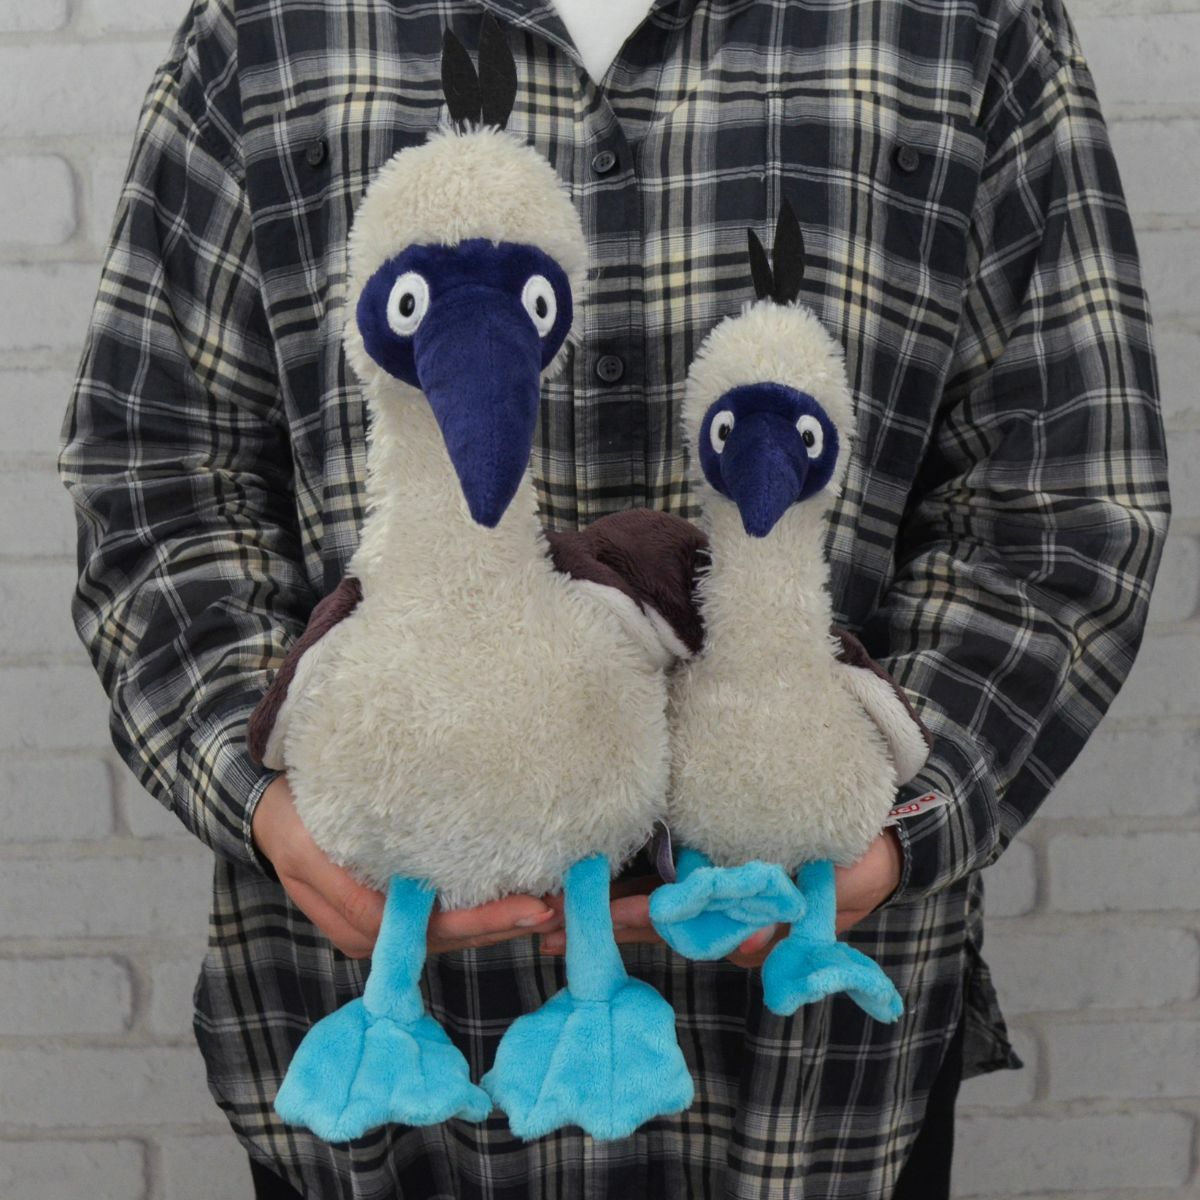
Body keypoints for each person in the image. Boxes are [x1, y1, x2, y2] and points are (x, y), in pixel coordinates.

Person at [58, 0, 1168, 1197]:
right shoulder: (265, 32)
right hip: (365, 1084)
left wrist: (886, 828)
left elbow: (1062, 510)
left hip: (818, 1090)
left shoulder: (971, 28)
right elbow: (157, 484)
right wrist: (267, 798)